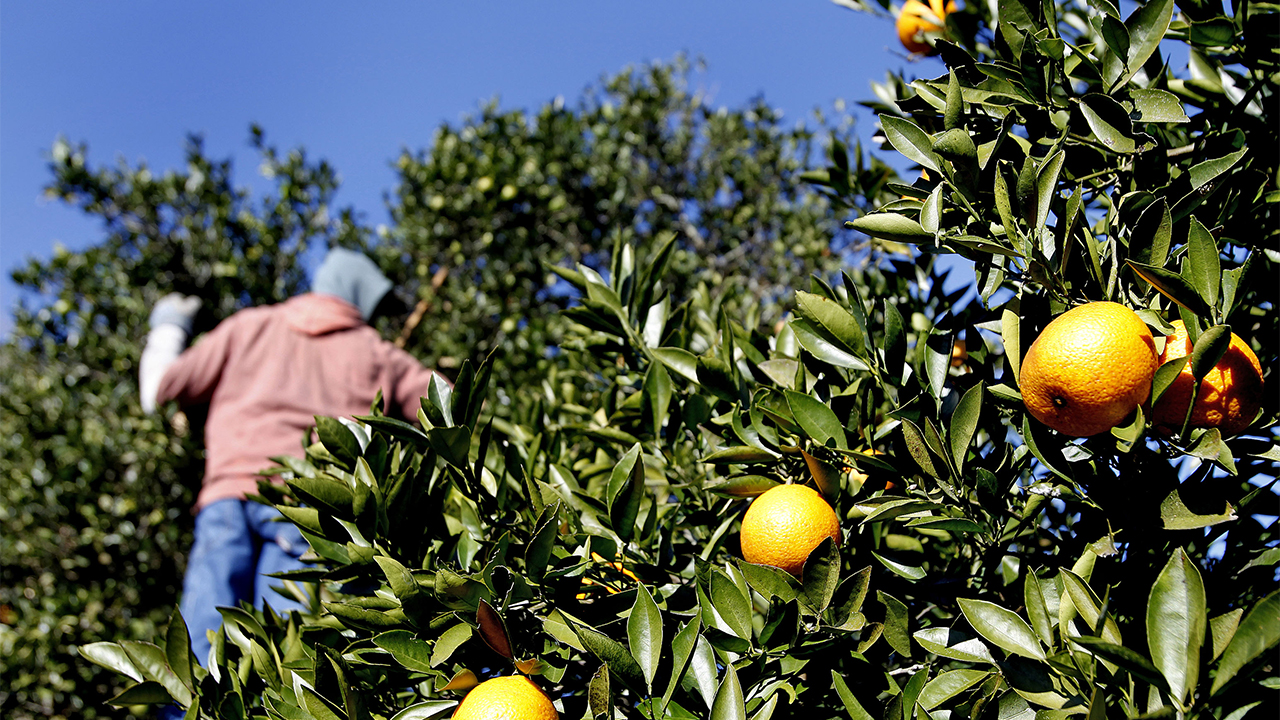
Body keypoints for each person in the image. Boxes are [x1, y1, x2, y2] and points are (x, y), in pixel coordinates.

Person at [139, 248, 443, 672]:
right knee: (291, 664)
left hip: (226, 500)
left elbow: (159, 391)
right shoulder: (375, 352)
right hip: (307, 514)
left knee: (199, 650)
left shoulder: (249, 326)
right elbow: (447, 404)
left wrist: (169, 325)